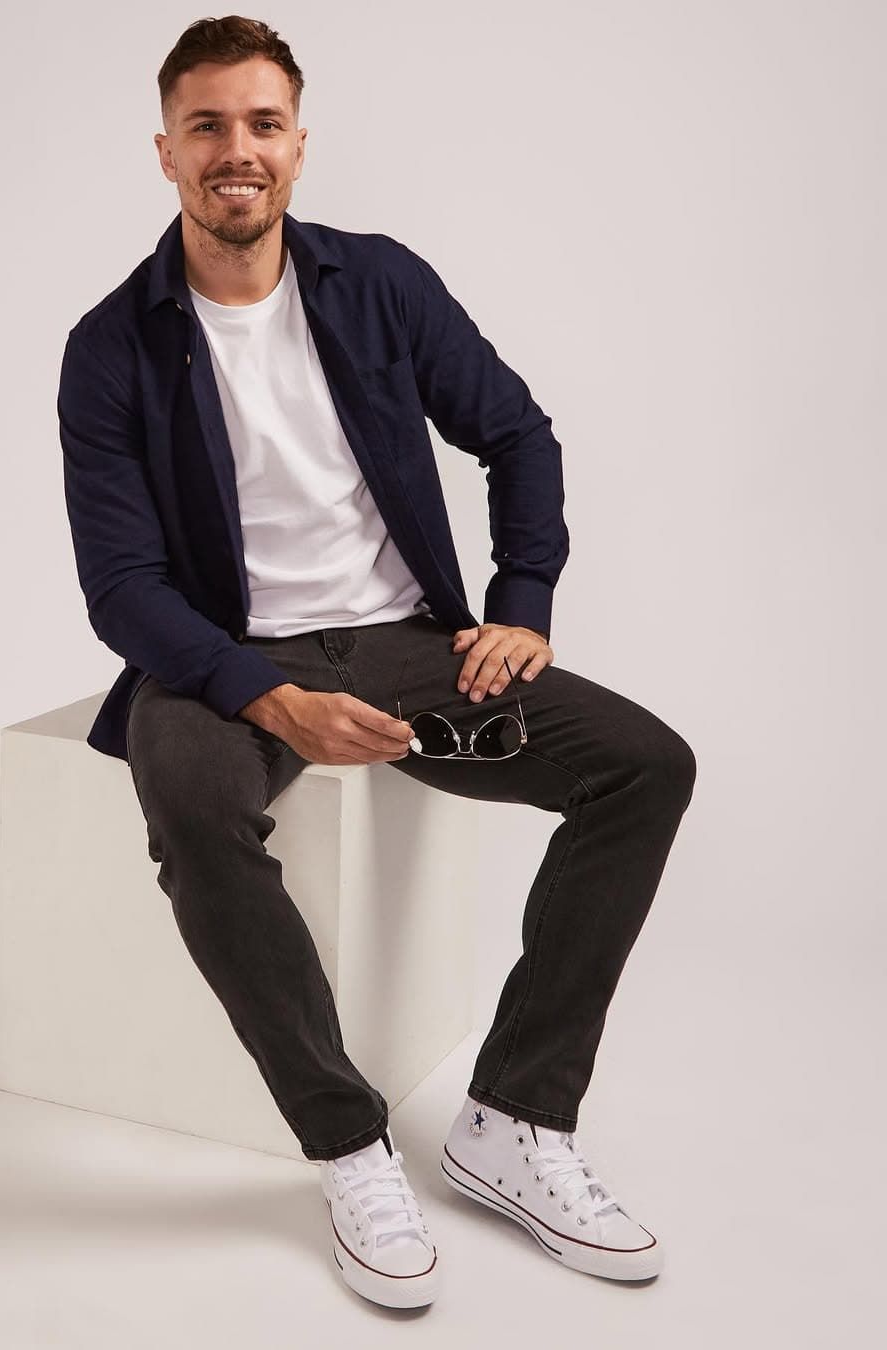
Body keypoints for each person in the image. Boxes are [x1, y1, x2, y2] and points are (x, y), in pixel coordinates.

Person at [57, 15, 696, 1311]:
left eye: (263, 122)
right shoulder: (113, 343)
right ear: (166, 152)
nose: (238, 149)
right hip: (220, 657)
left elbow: (516, 433)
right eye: (208, 126)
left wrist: (521, 598)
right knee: (187, 798)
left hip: (410, 642)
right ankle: (347, 1140)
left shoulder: (380, 285)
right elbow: (121, 587)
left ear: (299, 142)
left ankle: (513, 1116)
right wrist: (264, 690)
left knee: (646, 766)